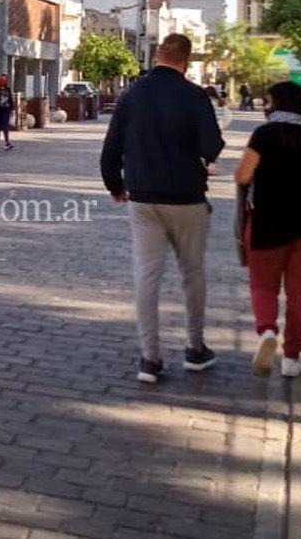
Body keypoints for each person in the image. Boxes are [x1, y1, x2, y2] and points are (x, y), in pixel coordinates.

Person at [100, 33, 226, 384]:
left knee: (146, 276)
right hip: (187, 198)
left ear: (157, 56)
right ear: (185, 61)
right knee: (192, 273)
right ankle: (195, 348)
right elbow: (211, 146)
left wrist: (115, 186)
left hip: (142, 197)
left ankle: (150, 359)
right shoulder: (194, 96)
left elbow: (111, 149)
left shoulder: (132, 94)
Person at [234, 82, 301, 379]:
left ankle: (266, 331)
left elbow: (243, 175)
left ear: (278, 103)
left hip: (268, 221)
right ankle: (291, 359)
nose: (266, 106)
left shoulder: (264, 135)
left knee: (263, 285)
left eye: (269, 101)